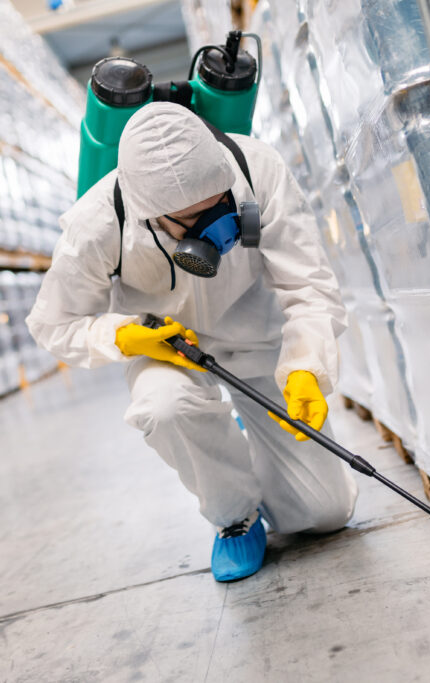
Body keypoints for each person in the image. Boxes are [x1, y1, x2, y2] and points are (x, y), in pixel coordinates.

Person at [26, 102, 357, 582]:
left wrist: (306, 364)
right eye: (191, 220)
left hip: (255, 328)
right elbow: (52, 323)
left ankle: (252, 440)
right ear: (151, 216)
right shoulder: (97, 224)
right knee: (164, 408)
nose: (214, 229)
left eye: (219, 207)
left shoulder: (257, 167)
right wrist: (123, 335)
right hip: (167, 345)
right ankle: (235, 515)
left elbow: (309, 285)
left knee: (326, 514)